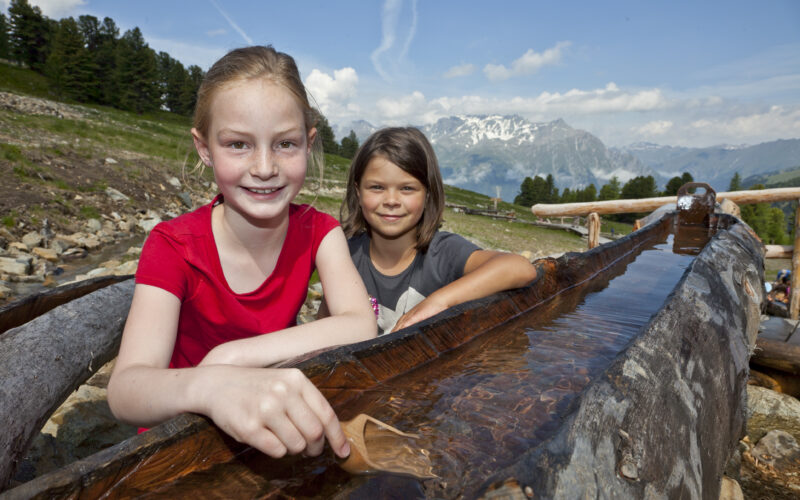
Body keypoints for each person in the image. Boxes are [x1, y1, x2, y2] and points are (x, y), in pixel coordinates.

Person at [107, 46, 377, 460]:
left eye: (285, 144)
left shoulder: (320, 233)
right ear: (204, 148)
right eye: (238, 144)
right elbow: (126, 391)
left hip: (273, 422)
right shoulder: (173, 246)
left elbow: (360, 323)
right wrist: (212, 384)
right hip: (181, 441)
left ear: (308, 144)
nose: (265, 167)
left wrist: (231, 355)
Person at [320, 126, 540, 335]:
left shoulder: (443, 252)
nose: (391, 200)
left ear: (427, 194)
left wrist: (439, 301)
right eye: (377, 187)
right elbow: (323, 330)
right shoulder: (344, 257)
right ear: (358, 192)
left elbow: (520, 268)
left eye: (407, 188)